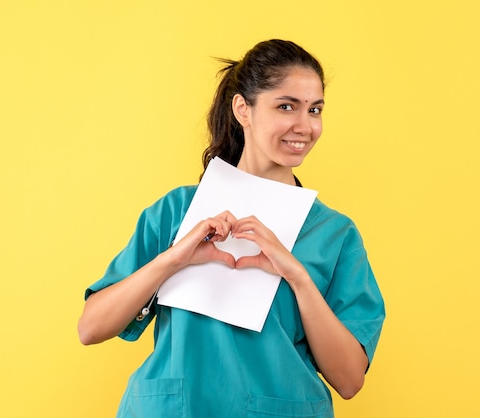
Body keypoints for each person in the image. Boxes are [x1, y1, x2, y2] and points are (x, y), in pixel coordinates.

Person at [78, 39, 385, 418]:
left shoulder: (334, 235)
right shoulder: (177, 211)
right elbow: (90, 328)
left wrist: (297, 276)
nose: (305, 126)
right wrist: (174, 259)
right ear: (244, 109)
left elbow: (350, 380)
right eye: (286, 106)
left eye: (315, 109)